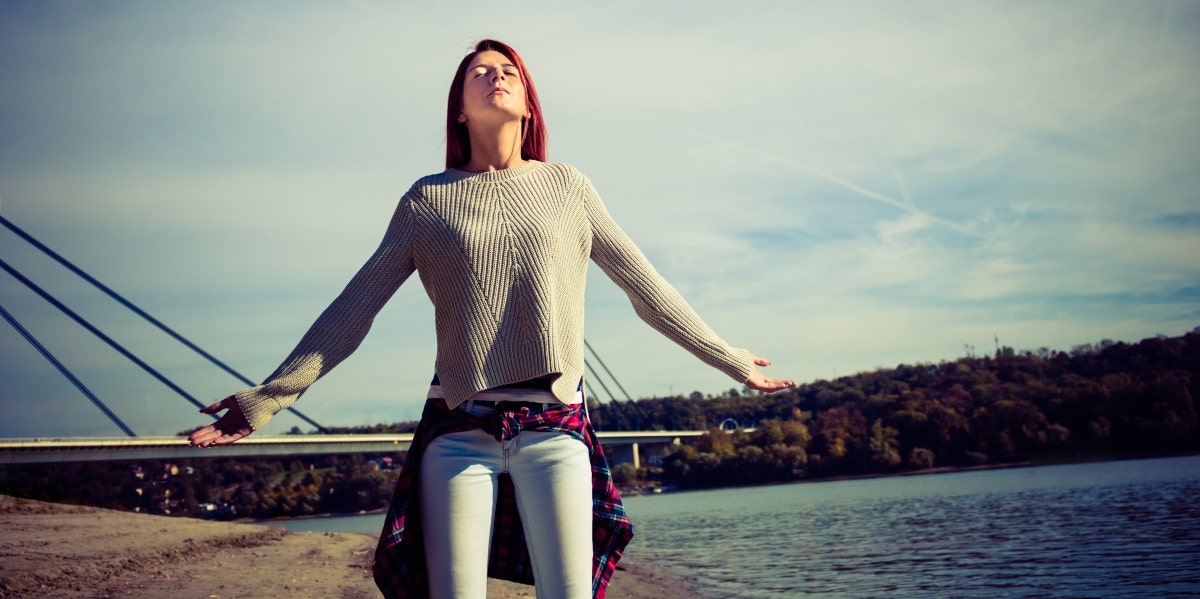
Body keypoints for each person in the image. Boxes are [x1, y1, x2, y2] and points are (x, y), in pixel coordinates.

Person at [188, 39, 796, 599]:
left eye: (508, 73)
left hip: (556, 430)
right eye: (479, 73)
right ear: (459, 109)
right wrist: (264, 400)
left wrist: (730, 359)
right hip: (459, 435)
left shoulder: (568, 187)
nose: (494, 78)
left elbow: (646, 288)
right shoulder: (427, 201)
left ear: (529, 105)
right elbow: (353, 309)